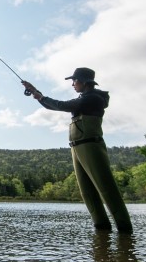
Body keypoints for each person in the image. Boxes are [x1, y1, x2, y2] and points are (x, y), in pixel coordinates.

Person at [22, 68, 133, 233]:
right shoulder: (84, 98)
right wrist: (35, 92)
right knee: (87, 192)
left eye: (74, 81)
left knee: (106, 189)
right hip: (77, 147)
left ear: (84, 81)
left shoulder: (93, 98)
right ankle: (102, 231)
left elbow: (63, 106)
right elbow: (56, 106)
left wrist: (41, 96)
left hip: (91, 146)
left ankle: (124, 229)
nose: (73, 84)